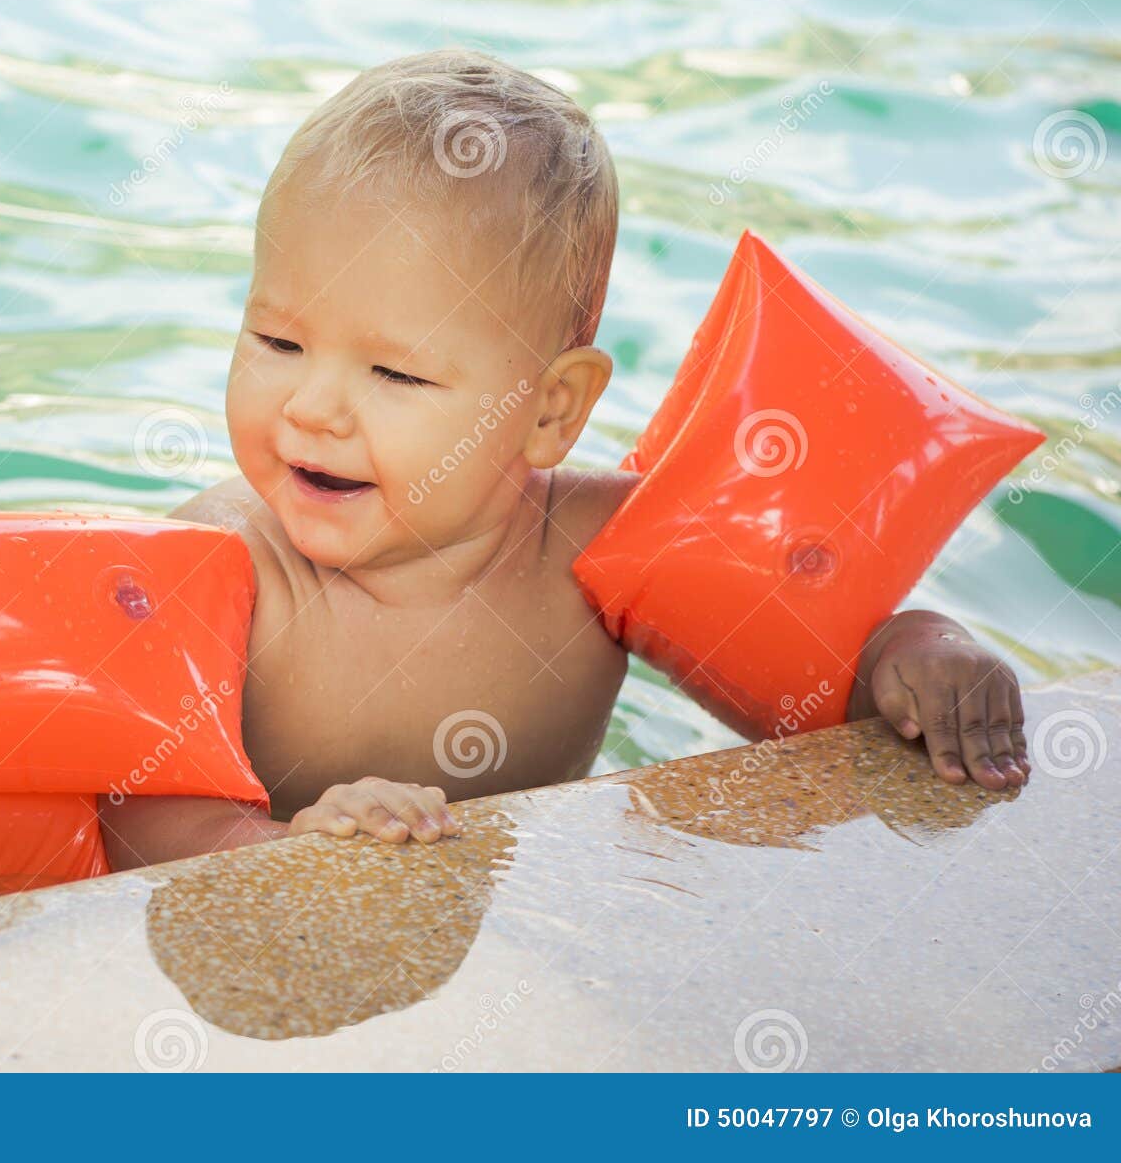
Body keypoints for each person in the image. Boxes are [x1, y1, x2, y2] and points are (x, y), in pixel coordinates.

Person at [101, 50, 1029, 869]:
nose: (310, 408)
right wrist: (281, 849)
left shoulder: (603, 554)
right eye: (276, 340)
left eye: (394, 372)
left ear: (550, 411)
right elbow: (135, 812)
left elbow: (807, 683)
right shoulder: (220, 565)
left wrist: (915, 655)